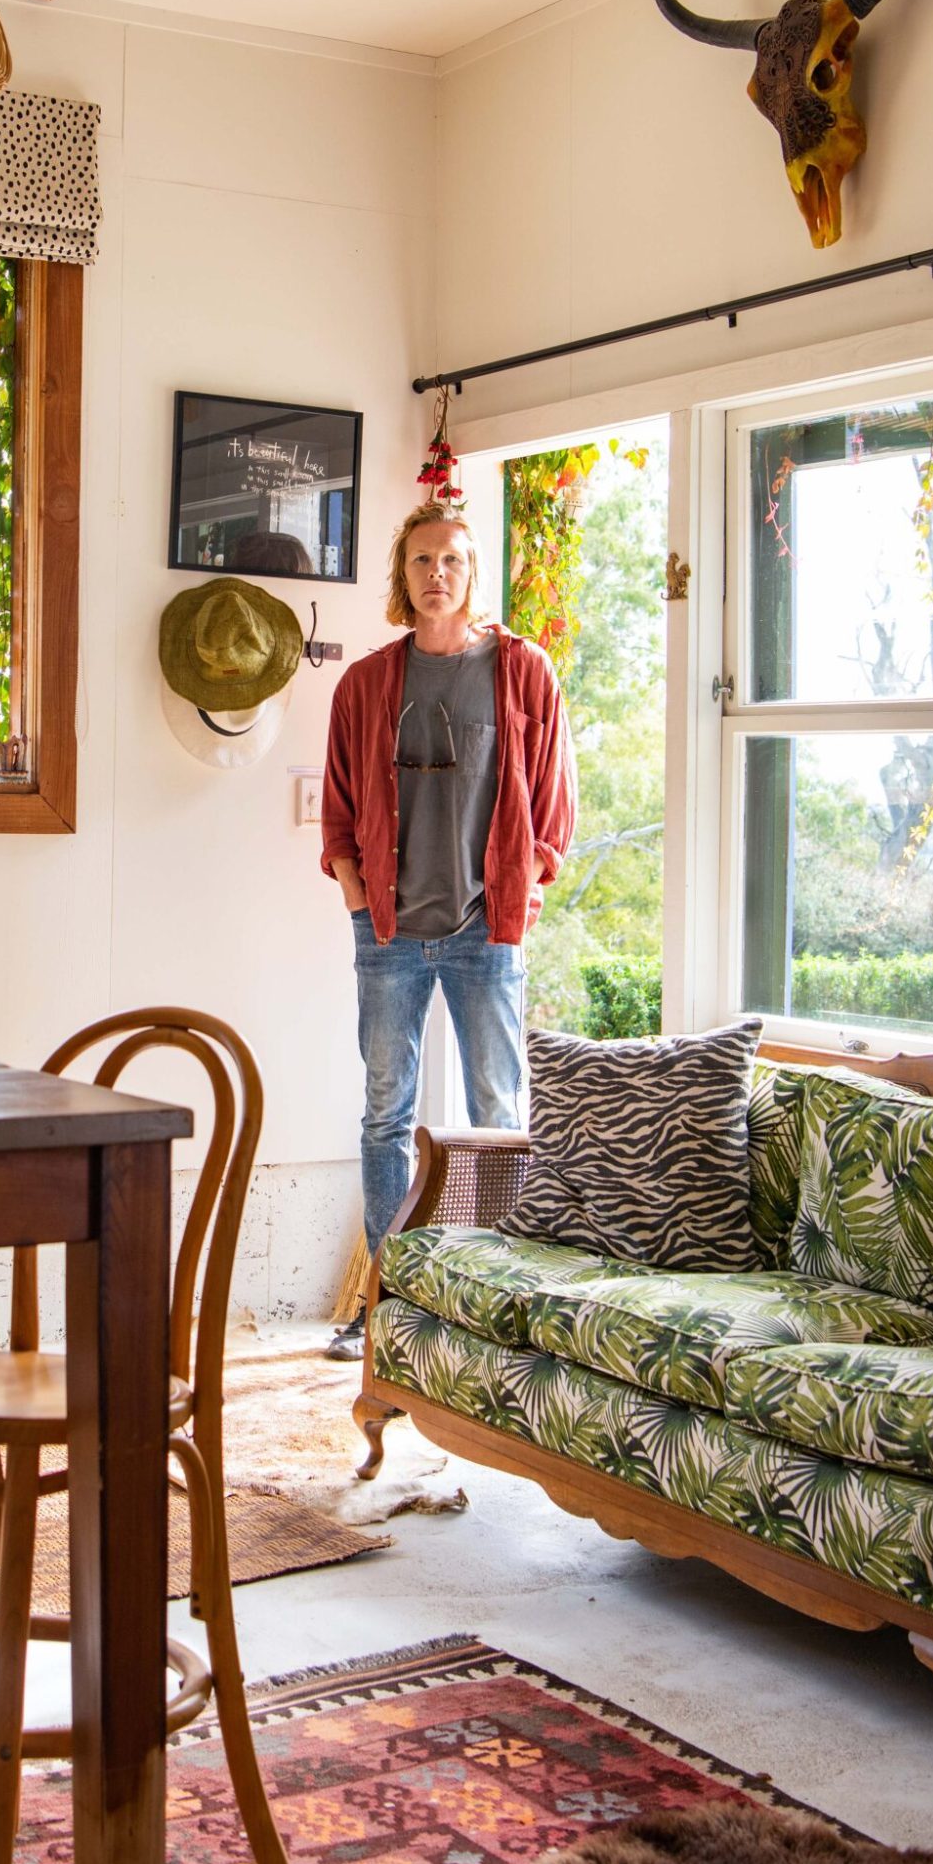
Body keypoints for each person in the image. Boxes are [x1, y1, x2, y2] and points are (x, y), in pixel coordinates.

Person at [319, 501, 576, 1359]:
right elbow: (338, 814)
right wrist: (359, 898)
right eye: (422, 560)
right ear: (403, 576)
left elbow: (552, 805)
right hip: (388, 932)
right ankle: (386, 1301)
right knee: (384, 1114)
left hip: (483, 931)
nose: (437, 575)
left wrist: (523, 890)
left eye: (453, 561)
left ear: (472, 574)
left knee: (497, 1111)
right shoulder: (363, 685)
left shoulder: (523, 672)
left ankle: (492, 1302)